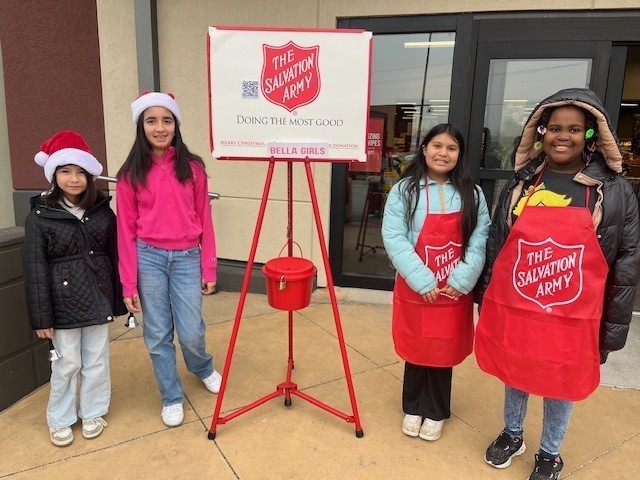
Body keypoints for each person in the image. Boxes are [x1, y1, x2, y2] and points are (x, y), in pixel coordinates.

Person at [474, 88, 640, 480]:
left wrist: (611, 331)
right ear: (540, 132)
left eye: (574, 128)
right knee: (515, 371)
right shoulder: (522, 183)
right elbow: (498, 245)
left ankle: (550, 452)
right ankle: (513, 433)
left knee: (560, 381)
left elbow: (626, 265)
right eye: (554, 127)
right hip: (520, 303)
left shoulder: (612, 191)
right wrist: (486, 297)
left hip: (575, 314)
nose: (561, 136)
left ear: (590, 136)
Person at [116, 91, 221, 427]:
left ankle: (201, 366)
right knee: (158, 333)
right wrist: (128, 282)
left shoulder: (192, 168)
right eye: (151, 120)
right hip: (149, 259)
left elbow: (205, 218)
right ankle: (171, 395)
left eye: (166, 120)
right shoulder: (130, 174)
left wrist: (209, 266)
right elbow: (125, 233)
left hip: (188, 257)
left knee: (191, 331)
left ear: (176, 124)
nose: (159, 127)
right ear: (141, 126)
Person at [382, 123, 490, 442]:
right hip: (417, 287)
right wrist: (421, 279)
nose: (443, 153)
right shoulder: (405, 191)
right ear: (425, 149)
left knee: (443, 350)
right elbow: (394, 236)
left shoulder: (473, 194)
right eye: (437, 146)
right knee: (416, 346)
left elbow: (480, 236)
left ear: (460, 154)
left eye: (451, 148)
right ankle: (413, 406)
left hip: (453, 290)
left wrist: (463, 277)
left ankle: (437, 410)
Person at [23, 130, 126, 446]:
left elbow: (115, 255)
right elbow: (35, 270)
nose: (74, 178)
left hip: (97, 298)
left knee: (96, 359)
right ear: (54, 174)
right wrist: (42, 319)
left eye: (80, 171)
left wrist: (120, 299)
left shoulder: (102, 211)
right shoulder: (40, 217)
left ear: (90, 175)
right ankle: (60, 418)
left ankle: (93, 410)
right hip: (62, 304)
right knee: (67, 363)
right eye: (66, 171)